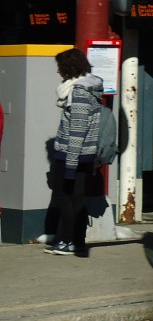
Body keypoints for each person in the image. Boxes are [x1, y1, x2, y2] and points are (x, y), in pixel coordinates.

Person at [45, 48, 105, 257]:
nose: (58, 72)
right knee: (78, 199)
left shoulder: (79, 92)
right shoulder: (91, 88)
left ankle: (67, 241)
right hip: (85, 155)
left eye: (60, 67)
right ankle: (77, 242)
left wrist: (70, 165)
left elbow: (77, 131)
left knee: (63, 197)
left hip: (72, 154)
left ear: (68, 68)